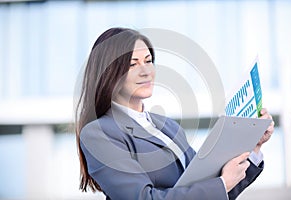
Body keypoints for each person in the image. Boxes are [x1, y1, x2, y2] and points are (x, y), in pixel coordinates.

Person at [75, 27, 274, 200]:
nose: (146, 71)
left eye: (148, 60)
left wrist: (253, 145)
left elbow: (213, 190)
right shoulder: (99, 132)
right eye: (133, 64)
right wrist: (221, 184)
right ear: (109, 72)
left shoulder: (168, 126)